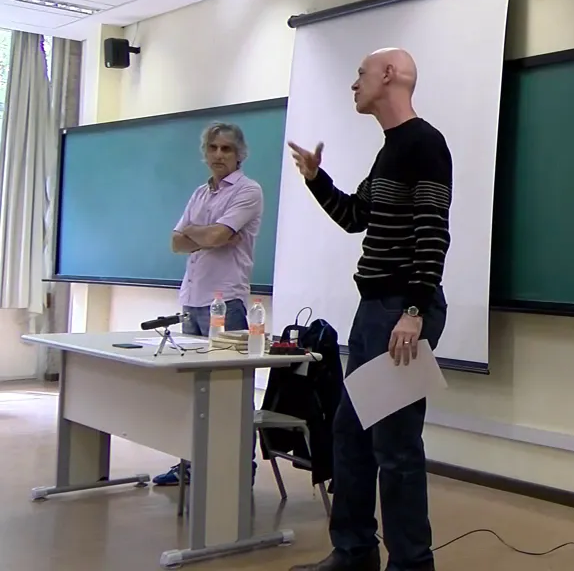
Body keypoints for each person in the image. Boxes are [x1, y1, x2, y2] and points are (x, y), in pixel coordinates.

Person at [288, 48, 451, 571]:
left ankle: (411, 563)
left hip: (402, 310)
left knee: (395, 446)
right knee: (350, 435)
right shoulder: (390, 150)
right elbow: (356, 216)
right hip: (375, 309)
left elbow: (433, 232)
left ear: (389, 75)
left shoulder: (424, 144)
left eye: (360, 73)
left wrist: (414, 310)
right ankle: (354, 553)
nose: (354, 84)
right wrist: (317, 178)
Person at [151, 121, 264, 487]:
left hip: (226, 303)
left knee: (231, 393)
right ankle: (190, 464)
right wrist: (206, 236)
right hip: (191, 300)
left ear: (239, 154)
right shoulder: (200, 193)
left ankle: (239, 469)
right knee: (192, 392)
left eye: (226, 149)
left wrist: (198, 234)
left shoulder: (248, 191)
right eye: (213, 148)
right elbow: (175, 242)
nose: (218, 154)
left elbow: (215, 236)